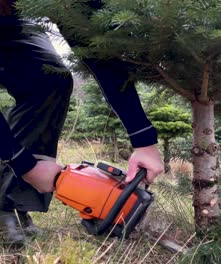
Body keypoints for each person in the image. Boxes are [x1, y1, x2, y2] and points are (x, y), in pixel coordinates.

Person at [0, 1, 164, 246]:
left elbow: (98, 51)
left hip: (11, 19)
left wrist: (143, 140)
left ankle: (8, 207)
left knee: (48, 79)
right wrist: (24, 164)